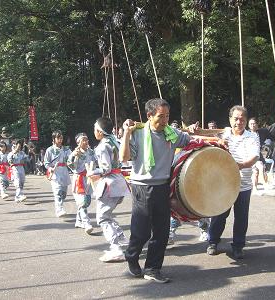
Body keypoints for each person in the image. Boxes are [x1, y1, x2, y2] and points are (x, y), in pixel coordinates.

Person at [120, 98, 193, 283]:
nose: (165, 120)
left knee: (162, 231)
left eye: (167, 116)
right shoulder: (137, 133)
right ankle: (131, 255)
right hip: (142, 187)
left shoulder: (171, 133)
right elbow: (124, 157)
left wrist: (192, 130)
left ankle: (152, 269)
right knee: (142, 231)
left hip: (162, 186)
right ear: (149, 116)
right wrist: (126, 134)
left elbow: (189, 140)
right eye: (161, 116)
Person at [207, 105, 260, 259]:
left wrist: (240, 166)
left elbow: (255, 157)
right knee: (219, 214)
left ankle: (238, 246)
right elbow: (203, 133)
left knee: (241, 217)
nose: (239, 122)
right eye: (236, 118)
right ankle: (212, 242)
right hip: (223, 184)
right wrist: (193, 129)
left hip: (243, 184)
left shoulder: (252, 137)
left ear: (246, 120)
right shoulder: (224, 133)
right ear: (230, 119)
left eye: (242, 119)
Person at [88, 117, 129, 262]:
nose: (94, 132)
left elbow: (106, 168)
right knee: (108, 215)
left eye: (95, 129)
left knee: (103, 218)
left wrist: (93, 173)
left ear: (99, 131)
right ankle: (121, 238)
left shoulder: (102, 146)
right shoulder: (115, 141)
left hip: (110, 184)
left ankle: (116, 248)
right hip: (120, 183)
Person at [67, 133, 96, 233]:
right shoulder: (75, 152)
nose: (86, 141)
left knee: (87, 201)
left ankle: (79, 221)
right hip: (79, 179)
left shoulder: (91, 152)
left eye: (86, 139)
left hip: (88, 179)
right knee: (83, 202)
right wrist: (74, 156)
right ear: (78, 142)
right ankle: (86, 223)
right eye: (83, 140)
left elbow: (95, 162)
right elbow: (70, 165)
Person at [44, 130, 72, 217]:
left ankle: (60, 206)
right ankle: (59, 209)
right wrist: (50, 168)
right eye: (58, 138)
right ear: (54, 139)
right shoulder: (49, 150)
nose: (60, 139)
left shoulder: (66, 149)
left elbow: (72, 158)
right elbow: (46, 162)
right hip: (55, 173)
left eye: (61, 138)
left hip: (64, 171)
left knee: (63, 193)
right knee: (58, 191)